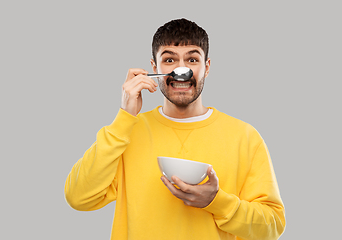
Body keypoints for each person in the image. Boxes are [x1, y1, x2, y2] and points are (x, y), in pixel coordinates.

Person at [64, 18, 286, 240]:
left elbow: (272, 227)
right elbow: (78, 197)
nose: (182, 68)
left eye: (192, 59)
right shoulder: (127, 132)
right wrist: (125, 117)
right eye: (169, 59)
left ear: (206, 67)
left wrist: (217, 202)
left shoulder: (245, 137)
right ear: (154, 68)